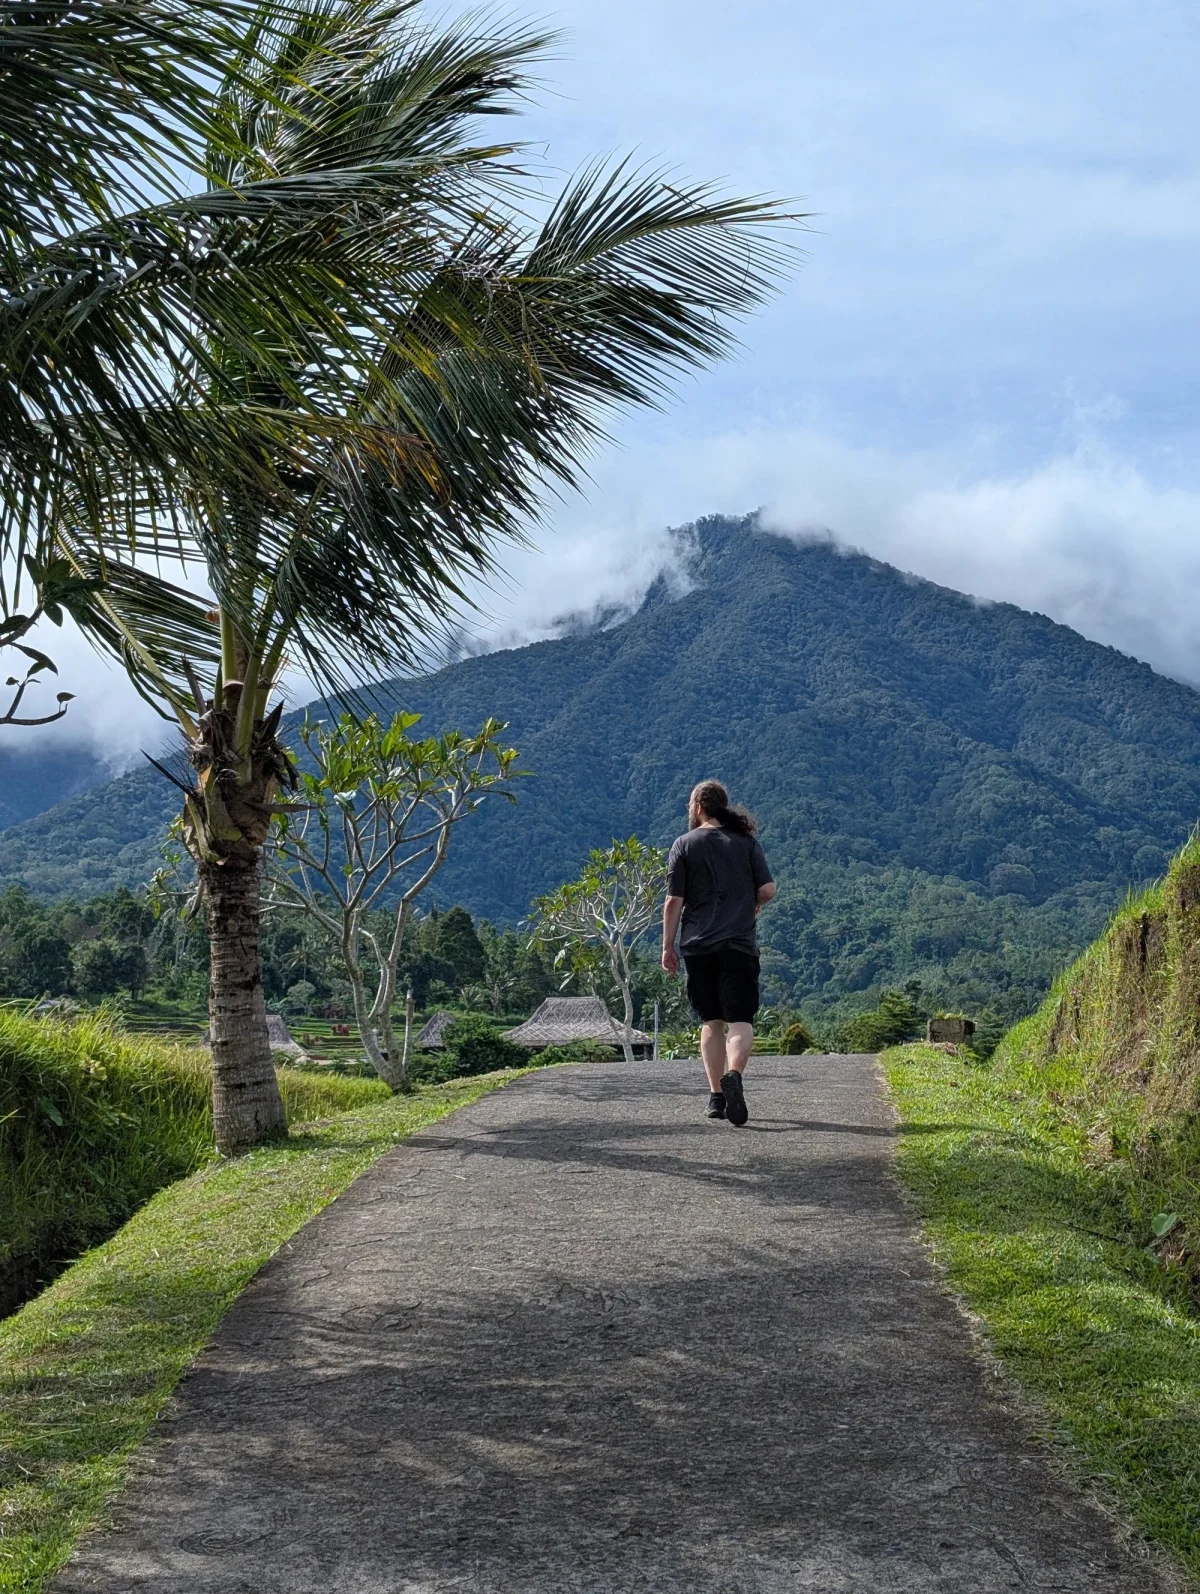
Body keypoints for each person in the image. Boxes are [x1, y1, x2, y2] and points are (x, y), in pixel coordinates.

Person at [662, 780, 775, 1125]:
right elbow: (768, 889)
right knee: (740, 1020)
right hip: (739, 945)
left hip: (698, 947)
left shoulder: (684, 844)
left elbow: (673, 902)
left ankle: (715, 1097)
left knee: (711, 1022)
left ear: (697, 807)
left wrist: (668, 945)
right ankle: (735, 1076)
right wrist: (753, 902)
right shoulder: (746, 844)